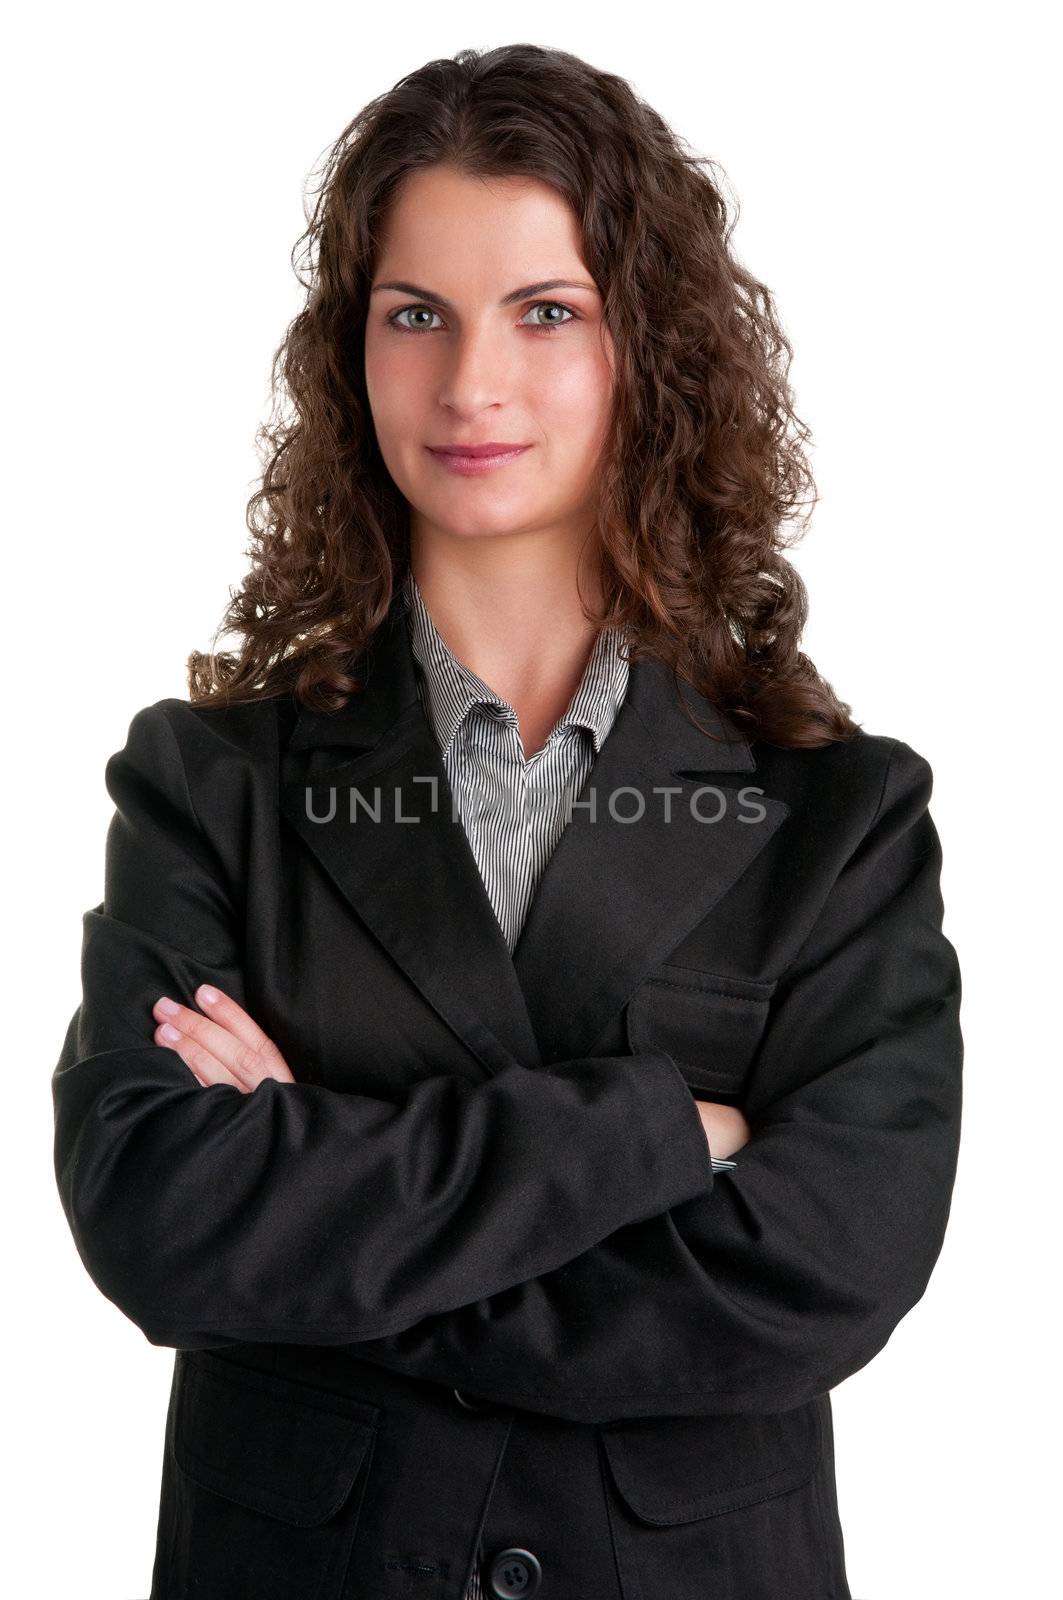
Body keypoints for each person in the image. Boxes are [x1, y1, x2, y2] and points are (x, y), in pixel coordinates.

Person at [51, 43, 963, 1600]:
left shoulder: (841, 817)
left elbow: (829, 1271)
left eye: (547, 314)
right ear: (354, 353)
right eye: (418, 315)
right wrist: (653, 1136)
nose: (472, 383)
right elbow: (160, 1217)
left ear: (648, 353)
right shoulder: (211, 786)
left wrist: (320, 1211)